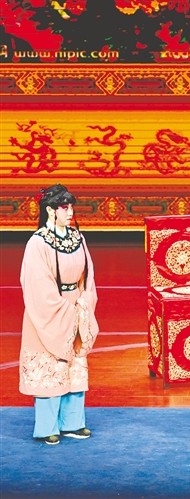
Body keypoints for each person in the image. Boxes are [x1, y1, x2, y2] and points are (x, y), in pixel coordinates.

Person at [19, 184, 99, 445]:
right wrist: (64, 310)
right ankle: (47, 427)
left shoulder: (77, 238)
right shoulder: (38, 242)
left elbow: (88, 276)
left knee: (75, 365)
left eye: (71, 207)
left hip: (76, 305)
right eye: (65, 207)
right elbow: (37, 284)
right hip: (50, 311)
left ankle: (73, 423)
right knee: (51, 366)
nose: (70, 212)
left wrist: (84, 301)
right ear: (50, 210)